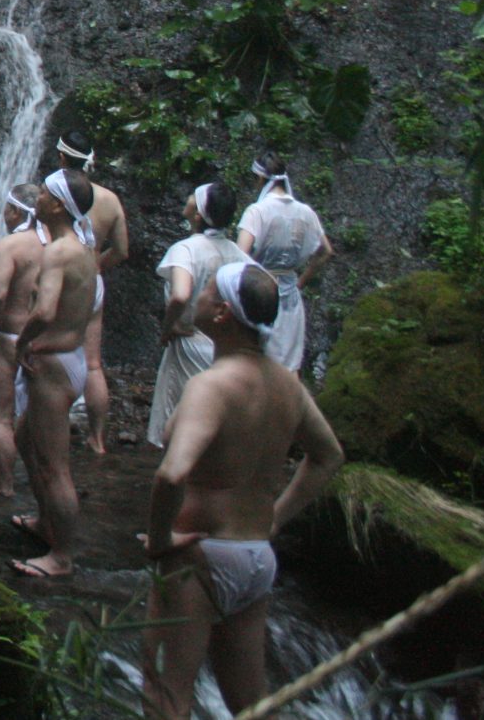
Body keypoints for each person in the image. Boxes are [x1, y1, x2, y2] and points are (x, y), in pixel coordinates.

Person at [140, 262, 344, 719]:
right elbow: (328, 456)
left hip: (199, 557)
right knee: (250, 705)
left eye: (206, 290)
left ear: (222, 313)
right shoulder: (287, 387)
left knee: (164, 694)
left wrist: (159, 541)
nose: (198, 296)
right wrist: (273, 518)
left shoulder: (210, 388)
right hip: (254, 558)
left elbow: (172, 474)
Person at [10, 167, 101, 580]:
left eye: (44, 193)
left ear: (59, 205)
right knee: (24, 439)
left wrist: (22, 342)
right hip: (71, 356)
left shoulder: (58, 252)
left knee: (53, 465)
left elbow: (45, 311)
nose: (37, 199)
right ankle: (47, 521)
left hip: (52, 363)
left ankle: (61, 556)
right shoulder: (83, 245)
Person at [148, 185, 246, 449]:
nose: (188, 198)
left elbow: (180, 295)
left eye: (194, 196)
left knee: (179, 428)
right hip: (224, 348)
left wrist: (169, 327)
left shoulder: (186, 250)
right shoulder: (240, 256)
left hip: (189, 344)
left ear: (199, 214)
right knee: (212, 426)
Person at [56, 132, 129, 455]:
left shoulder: (53, 193)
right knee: (94, 364)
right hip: (92, 278)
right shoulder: (110, 200)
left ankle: (52, 428)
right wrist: (97, 264)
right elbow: (122, 250)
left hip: (60, 279)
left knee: (51, 355)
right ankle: (97, 438)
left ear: (61, 157)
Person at [236, 154, 334, 374]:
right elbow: (326, 251)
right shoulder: (305, 212)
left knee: (257, 364)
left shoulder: (257, 212)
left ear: (261, 180)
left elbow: (239, 256)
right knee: (288, 366)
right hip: (290, 294)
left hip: (259, 293)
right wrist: (300, 281)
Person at [0, 182, 46, 497]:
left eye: (6, 208)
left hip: (8, 338)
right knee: (40, 420)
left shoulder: (10, 246)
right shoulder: (56, 245)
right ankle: (45, 486)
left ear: (16, 211)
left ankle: (4, 487)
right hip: (45, 342)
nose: (3, 214)